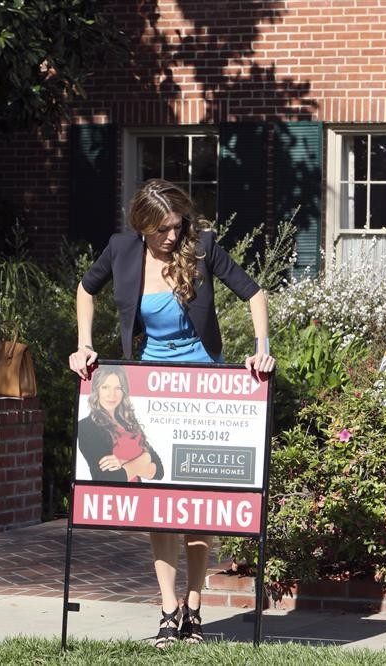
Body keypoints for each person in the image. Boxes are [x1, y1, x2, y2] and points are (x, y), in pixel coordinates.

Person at [68, 178, 276, 648]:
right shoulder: (121, 251)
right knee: (157, 505)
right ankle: (167, 609)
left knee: (200, 506)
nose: (170, 236)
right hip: (150, 387)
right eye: (161, 228)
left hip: (203, 384)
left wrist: (260, 351)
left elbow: (255, 294)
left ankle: (196, 610)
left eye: (176, 226)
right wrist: (84, 345)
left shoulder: (201, 248)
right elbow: (85, 290)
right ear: (141, 225)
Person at [76, 365, 162, 483]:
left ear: (124, 391)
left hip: (139, 497)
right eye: (105, 387)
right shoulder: (86, 427)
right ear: (97, 390)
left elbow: (159, 471)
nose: (112, 395)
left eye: (118, 388)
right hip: (111, 498)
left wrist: (123, 462)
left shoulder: (129, 422)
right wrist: (145, 459)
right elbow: (109, 478)